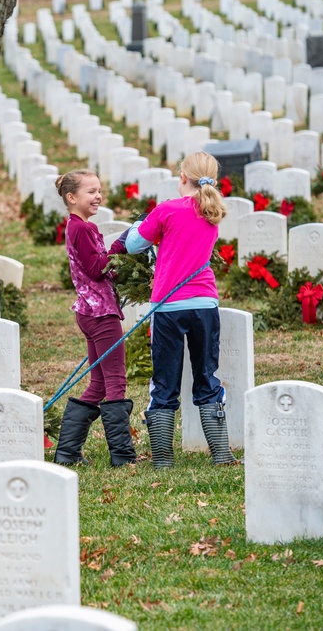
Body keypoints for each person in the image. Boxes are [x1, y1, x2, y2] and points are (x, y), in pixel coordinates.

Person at [123, 151, 238, 468]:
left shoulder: (166, 211)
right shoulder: (212, 210)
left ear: (182, 178)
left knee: (164, 381)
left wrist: (138, 226)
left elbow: (135, 245)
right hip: (204, 304)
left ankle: (162, 459)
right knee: (206, 375)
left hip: (169, 306)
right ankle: (221, 454)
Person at [53, 169, 135, 467]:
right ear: (72, 198)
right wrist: (121, 247)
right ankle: (122, 457)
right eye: (91, 191)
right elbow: (97, 269)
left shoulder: (76, 226)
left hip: (89, 311)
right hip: (100, 313)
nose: (98, 195)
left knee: (98, 384)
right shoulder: (83, 229)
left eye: (99, 190)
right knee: (115, 381)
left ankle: (67, 453)